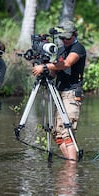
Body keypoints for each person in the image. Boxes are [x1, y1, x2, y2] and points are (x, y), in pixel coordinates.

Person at [32, 20, 86, 162]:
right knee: (57, 133)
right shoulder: (61, 50)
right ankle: (70, 164)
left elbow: (66, 64)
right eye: (62, 38)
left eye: (67, 38)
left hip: (71, 93)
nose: (65, 41)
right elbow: (55, 71)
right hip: (59, 93)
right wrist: (45, 68)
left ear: (74, 35)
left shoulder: (78, 48)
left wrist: (45, 67)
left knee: (67, 132)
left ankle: (72, 168)